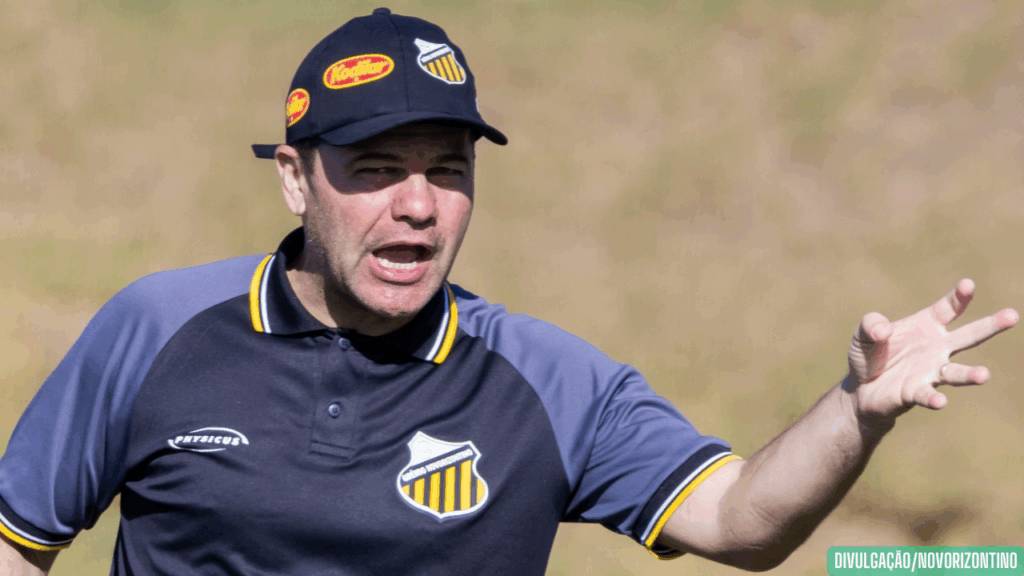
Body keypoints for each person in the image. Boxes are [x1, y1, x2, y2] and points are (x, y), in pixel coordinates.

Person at [0, 8, 1016, 576]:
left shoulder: (545, 380)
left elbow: (742, 521)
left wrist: (855, 409)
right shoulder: (158, 328)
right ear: (295, 178)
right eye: (376, 169)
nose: (417, 205)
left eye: (446, 170)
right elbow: (17, 541)